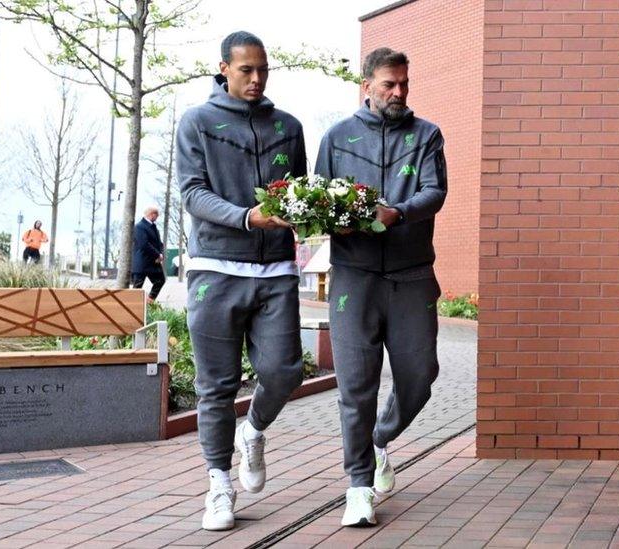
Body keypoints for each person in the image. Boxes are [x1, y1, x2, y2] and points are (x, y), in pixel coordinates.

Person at [178, 31, 308, 531]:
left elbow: (297, 193)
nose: (256, 80)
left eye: (263, 71)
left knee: (284, 371)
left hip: (275, 268)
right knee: (216, 387)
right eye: (246, 70)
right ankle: (218, 486)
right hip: (215, 267)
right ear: (224, 69)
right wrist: (246, 217)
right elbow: (191, 192)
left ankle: (252, 431)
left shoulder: (289, 127)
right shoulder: (197, 122)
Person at [315, 47, 447, 527]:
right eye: (389, 84)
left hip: (412, 275)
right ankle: (358, 486)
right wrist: (335, 221)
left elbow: (434, 191)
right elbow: (319, 197)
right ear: (366, 85)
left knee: (420, 376)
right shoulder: (337, 137)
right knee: (356, 385)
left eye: (404, 84)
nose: (399, 92)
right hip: (354, 275)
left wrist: (398, 211)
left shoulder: (426, 135)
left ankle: (378, 437)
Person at [131, 207, 167, 304]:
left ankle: (150, 301)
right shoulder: (139, 226)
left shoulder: (153, 227)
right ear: (152, 214)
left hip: (153, 263)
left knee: (160, 280)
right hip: (141, 263)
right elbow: (144, 244)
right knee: (137, 288)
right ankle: (133, 307)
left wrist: (161, 255)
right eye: (157, 215)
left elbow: (160, 244)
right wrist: (157, 255)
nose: (157, 217)